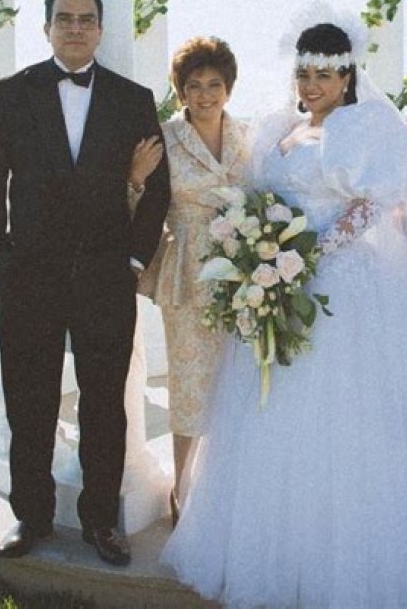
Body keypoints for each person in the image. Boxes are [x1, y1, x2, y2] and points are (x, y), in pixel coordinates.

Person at [161, 4, 407, 608]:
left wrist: (311, 252)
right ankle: (270, 550)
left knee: (338, 420)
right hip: (277, 280)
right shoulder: (279, 128)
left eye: (324, 75)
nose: (311, 85)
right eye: (304, 74)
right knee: (267, 414)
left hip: (339, 285)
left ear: (347, 77)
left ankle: (339, 561)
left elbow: (372, 203)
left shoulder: (366, 125)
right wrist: (264, 256)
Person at [0, 0, 170, 566]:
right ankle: (30, 517)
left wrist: (134, 260)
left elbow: (158, 189)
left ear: (101, 29)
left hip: (107, 276)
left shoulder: (132, 99)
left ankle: (101, 522)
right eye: (65, 18)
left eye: (86, 19)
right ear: (47, 27)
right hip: (28, 276)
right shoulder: (12, 93)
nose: (76, 27)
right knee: (28, 400)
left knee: (105, 404)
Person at [130, 36, 250, 526]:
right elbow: (136, 210)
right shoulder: (165, 139)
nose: (204, 95)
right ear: (180, 90)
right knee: (190, 384)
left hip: (246, 273)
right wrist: (135, 179)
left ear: (228, 87)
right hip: (188, 273)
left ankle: (231, 487)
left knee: (237, 382)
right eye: (194, 85)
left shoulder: (247, 136)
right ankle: (183, 488)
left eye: (214, 84)